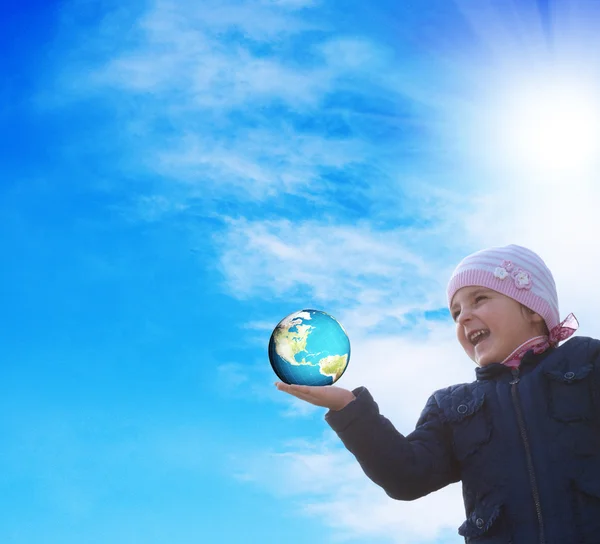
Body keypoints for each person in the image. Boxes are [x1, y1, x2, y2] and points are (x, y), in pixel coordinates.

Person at [275, 244, 600, 543]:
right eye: (456, 312)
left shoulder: (587, 360)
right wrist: (349, 409)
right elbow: (405, 476)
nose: (465, 316)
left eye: (480, 299)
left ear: (533, 309)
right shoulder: (452, 406)